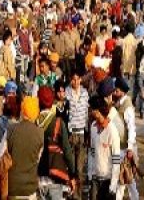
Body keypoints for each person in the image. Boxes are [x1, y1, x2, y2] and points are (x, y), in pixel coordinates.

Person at [37, 86, 77, 200]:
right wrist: (72, 175)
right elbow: (67, 150)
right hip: (56, 175)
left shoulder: (34, 122)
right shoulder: (58, 123)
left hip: (38, 176)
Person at [8, 96, 46, 200]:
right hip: (30, 187)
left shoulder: (11, 129)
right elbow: (38, 160)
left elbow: (1, 156)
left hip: (12, 186)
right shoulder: (40, 133)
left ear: (22, 109)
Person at [87, 94, 121, 200]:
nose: (89, 111)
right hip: (95, 178)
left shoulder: (112, 131)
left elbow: (116, 160)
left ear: (97, 111)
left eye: (91, 109)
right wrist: (90, 173)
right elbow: (92, 152)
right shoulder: (93, 127)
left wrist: (113, 186)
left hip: (108, 180)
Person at [65, 70, 90, 198]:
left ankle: (78, 196)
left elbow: (86, 114)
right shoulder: (66, 93)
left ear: (80, 79)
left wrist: (87, 133)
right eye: (73, 79)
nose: (75, 82)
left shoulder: (85, 94)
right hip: (70, 134)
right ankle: (70, 193)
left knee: (80, 169)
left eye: (77, 79)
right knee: (71, 168)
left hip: (81, 134)